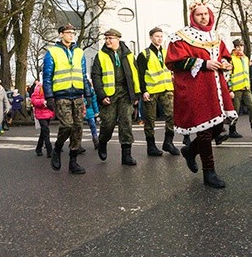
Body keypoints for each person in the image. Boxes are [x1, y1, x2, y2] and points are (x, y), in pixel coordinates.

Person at [166, 2, 237, 188]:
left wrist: (225, 63)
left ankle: (190, 151)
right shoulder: (181, 37)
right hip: (196, 89)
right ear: (192, 17)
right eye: (199, 15)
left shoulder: (216, 36)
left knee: (217, 126)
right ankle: (209, 172)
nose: (203, 17)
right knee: (205, 131)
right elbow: (175, 62)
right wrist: (203, 64)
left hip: (216, 88)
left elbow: (224, 55)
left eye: (206, 14)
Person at [43, 23, 94, 175]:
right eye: (68, 32)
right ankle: (57, 149)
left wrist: (88, 94)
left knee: (78, 128)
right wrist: (49, 96)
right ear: (61, 34)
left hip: (77, 94)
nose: (71, 35)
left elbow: (83, 75)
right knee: (67, 125)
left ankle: (73, 162)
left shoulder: (79, 52)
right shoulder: (52, 52)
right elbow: (47, 77)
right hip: (61, 95)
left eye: (73, 33)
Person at [91, 28, 140, 166]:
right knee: (108, 123)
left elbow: (135, 75)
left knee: (126, 123)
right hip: (109, 94)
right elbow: (96, 76)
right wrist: (101, 95)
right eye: (106, 38)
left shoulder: (128, 54)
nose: (107, 41)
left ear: (118, 39)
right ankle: (102, 142)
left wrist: (136, 94)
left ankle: (126, 155)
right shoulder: (100, 55)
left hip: (125, 92)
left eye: (110, 38)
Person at [135, 27, 180, 156]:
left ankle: (168, 142)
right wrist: (143, 91)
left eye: (161, 36)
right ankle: (151, 146)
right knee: (150, 120)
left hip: (167, 89)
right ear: (151, 38)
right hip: (151, 91)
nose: (159, 39)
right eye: (156, 36)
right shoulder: (144, 54)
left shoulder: (166, 53)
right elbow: (140, 74)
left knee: (172, 115)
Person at [229, 39, 252, 138]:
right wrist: (229, 89)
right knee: (235, 110)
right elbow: (228, 75)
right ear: (234, 48)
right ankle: (232, 129)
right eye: (237, 46)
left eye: (241, 46)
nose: (240, 48)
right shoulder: (231, 58)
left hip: (246, 87)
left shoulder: (245, 59)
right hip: (236, 88)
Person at [31, 80, 54, 157]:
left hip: (48, 112)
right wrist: (43, 102)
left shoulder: (52, 88)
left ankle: (38, 148)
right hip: (40, 113)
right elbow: (33, 100)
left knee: (44, 131)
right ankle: (49, 149)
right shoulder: (38, 88)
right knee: (46, 130)